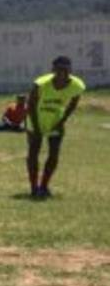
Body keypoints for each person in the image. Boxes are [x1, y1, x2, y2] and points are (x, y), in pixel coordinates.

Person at [26, 55, 85, 198]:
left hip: (55, 122)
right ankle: (34, 188)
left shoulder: (77, 85)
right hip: (36, 120)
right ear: (53, 70)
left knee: (53, 155)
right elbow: (31, 105)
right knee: (33, 153)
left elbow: (74, 103)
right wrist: (37, 128)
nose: (62, 73)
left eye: (65, 70)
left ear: (70, 70)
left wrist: (62, 121)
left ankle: (44, 186)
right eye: (58, 70)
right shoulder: (41, 84)